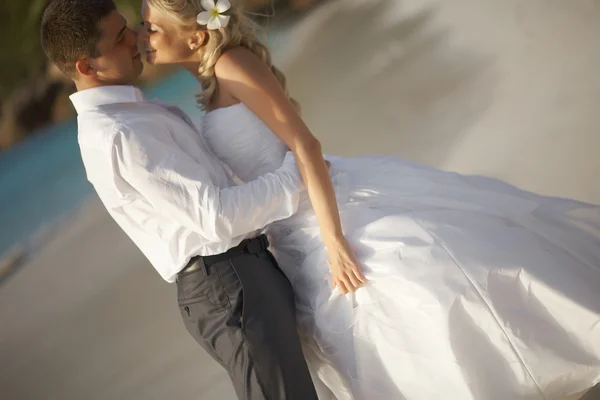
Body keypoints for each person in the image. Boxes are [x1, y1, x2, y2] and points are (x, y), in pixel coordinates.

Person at [139, 0, 600, 399]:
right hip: (289, 229)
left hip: (322, 214)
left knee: (413, 291)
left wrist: (334, 239)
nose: (143, 35)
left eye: (152, 26)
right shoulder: (215, 80)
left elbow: (305, 146)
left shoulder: (232, 64)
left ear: (197, 35)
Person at [40, 1, 320, 399]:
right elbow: (216, 218)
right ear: (87, 66)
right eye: (121, 38)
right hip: (229, 284)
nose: (137, 38)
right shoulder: (119, 133)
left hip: (242, 275)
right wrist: (300, 171)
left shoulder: (138, 113)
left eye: (128, 27)